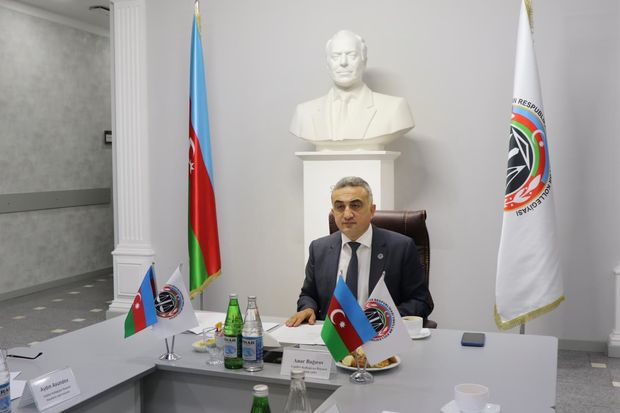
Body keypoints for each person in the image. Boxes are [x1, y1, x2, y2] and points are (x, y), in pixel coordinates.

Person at [286, 176, 433, 327]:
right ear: (333, 212)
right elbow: (308, 295)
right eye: (340, 207)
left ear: (372, 210)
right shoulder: (319, 249)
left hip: (380, 334)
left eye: (355, 205)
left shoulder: (401, 247)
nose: (347, 214)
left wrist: (380, 318)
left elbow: (421, 301)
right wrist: (308, 308)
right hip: (332, 336)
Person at [289, 30, 415, 144]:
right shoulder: (303, 112)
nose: (343, 62)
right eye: (336, 56)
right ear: (328, 65)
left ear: (364, 62)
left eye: (351, 55)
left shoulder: (395, 108)